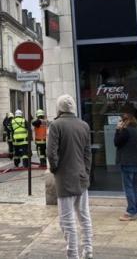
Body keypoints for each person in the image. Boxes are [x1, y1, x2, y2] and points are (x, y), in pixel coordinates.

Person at [47, 94, 93, 259]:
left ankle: (72, 255)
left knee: (67, 221)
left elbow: (51, 153)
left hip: (65, 178)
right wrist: (86, 172)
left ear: (59, 108)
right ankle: (88, 250)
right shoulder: (84, 125)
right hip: (81, 177)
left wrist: (55, 169)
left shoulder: (56, 125)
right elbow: (88, 153)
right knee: (84, 216)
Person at [114, 113, 137, 221]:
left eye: (121, 121)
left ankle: (131, 211)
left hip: (128, 163)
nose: (120, 123)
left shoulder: (126, 131)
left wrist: (118, 130)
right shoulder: (136, 131)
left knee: (128, 188)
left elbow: (117, 142)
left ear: (125, 121)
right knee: (134, 188)